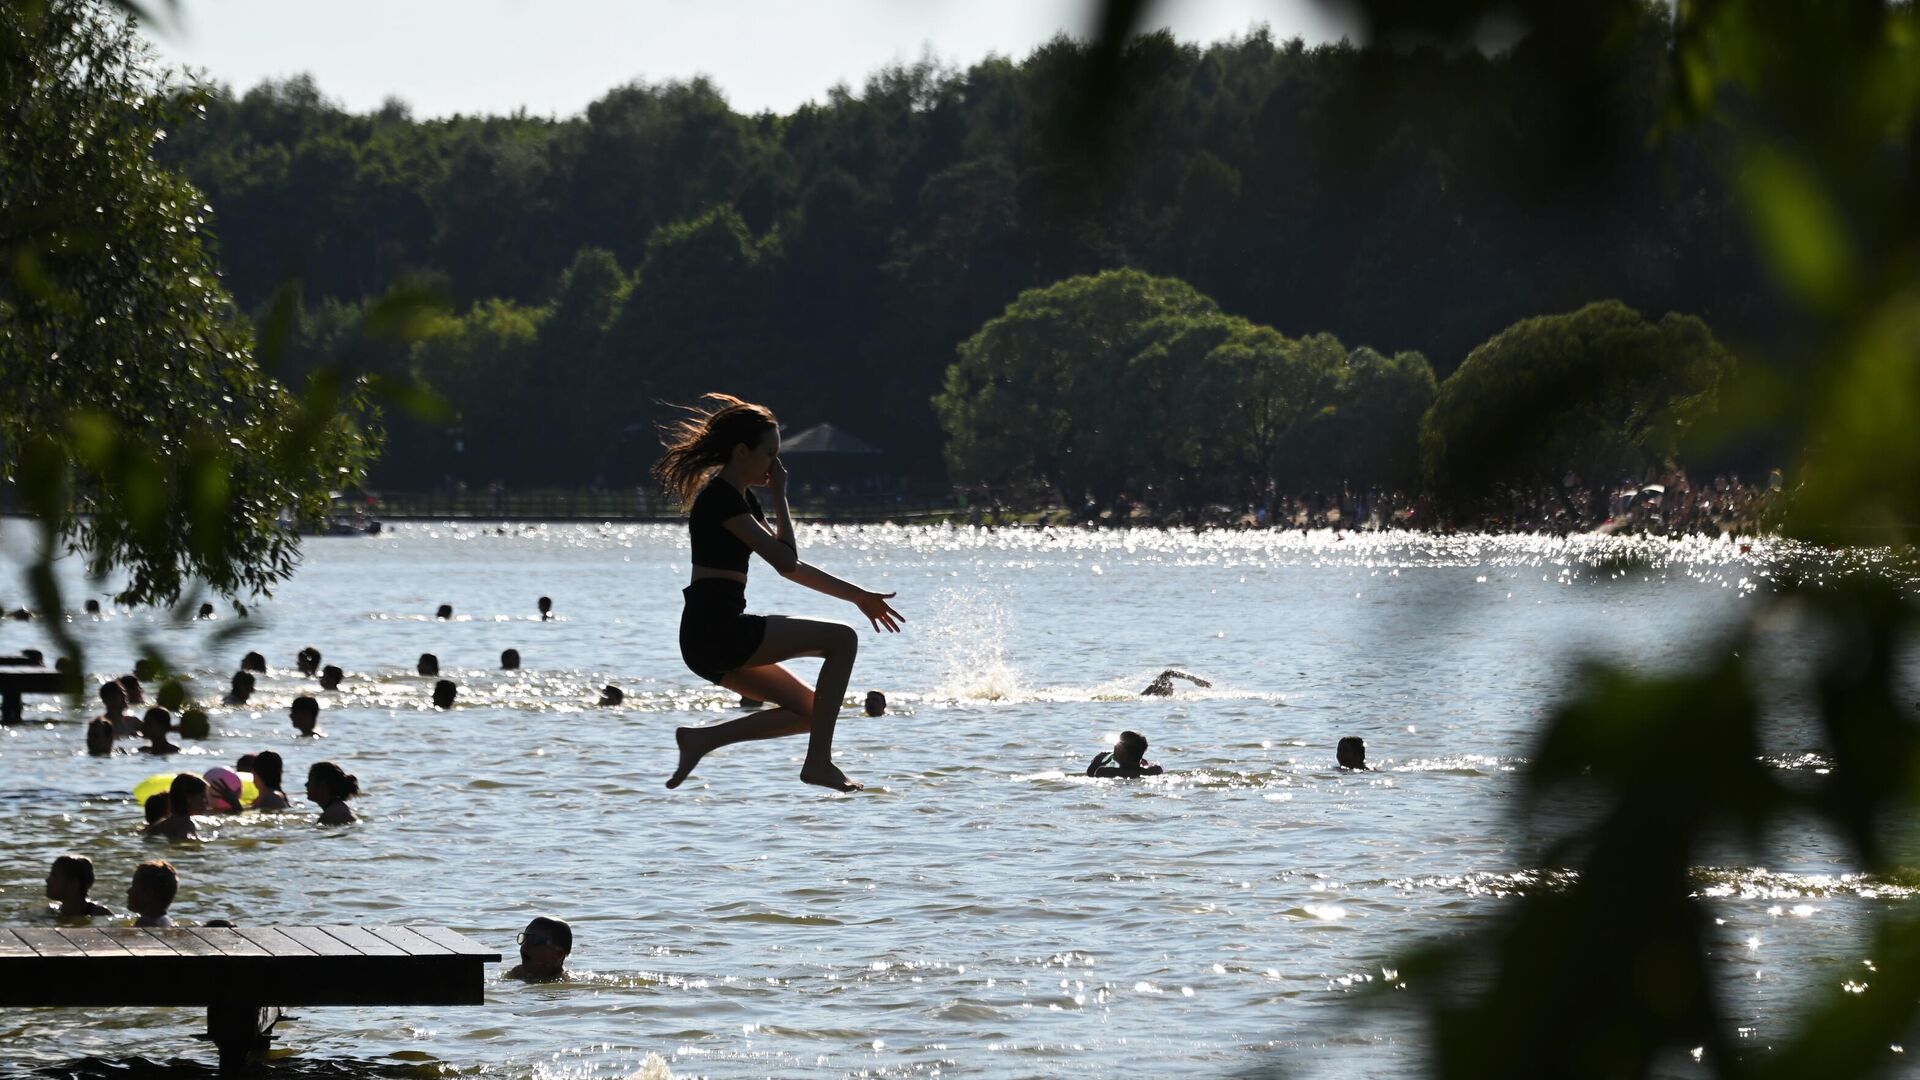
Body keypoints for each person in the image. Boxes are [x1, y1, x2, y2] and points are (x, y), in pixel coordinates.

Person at [656, 394, 904, 792]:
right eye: (770, 454)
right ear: (742, 452)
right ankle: (819, 764)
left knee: (809, 711)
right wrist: (782, 496)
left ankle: (702, 740)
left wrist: (859, 596)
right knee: (841, 640)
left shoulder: (741, 499)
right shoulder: (721, 500)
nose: (776, 465)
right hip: (716, 633)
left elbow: (791, 564)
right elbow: (787, 562)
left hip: (708, 638)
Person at [505, 916, 572, 982]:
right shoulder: (517, 975)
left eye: (534, 940)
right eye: (525, 938)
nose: (525, 945)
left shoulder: (563, 983)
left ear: (558, 955)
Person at [46, 855, 114, 918]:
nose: (47, 880)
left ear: (73, 883)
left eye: (54, 876)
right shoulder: (51, 912)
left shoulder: (101, 915)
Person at [145, 772, 207, 839]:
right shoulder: (186, 824)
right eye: (203, 797)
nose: (206, 801)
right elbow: (185, 845)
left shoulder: (160, 824)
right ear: (189, 798)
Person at [1087, 731, 1164, 778]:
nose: (1114, 746)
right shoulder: (1151, 771)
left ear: (1123, 752)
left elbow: (1091, 774)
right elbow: (1157, 768)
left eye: (1117, 744)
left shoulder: (1105, 771)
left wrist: (1097, 760)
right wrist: (1144, 764)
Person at [127, 860, 178, 927]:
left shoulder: (145, 923)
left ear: (149, 894)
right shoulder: (164, 920)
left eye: (134, 887)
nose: (128, 891)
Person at [1140, 669, 1212, 696]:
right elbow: (1168, 672)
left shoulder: (1159, 689)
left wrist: (1195, 680)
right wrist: (1195, 680)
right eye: (1169, 685)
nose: (1172, 685)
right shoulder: (1155, 688)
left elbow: (1169, 672)